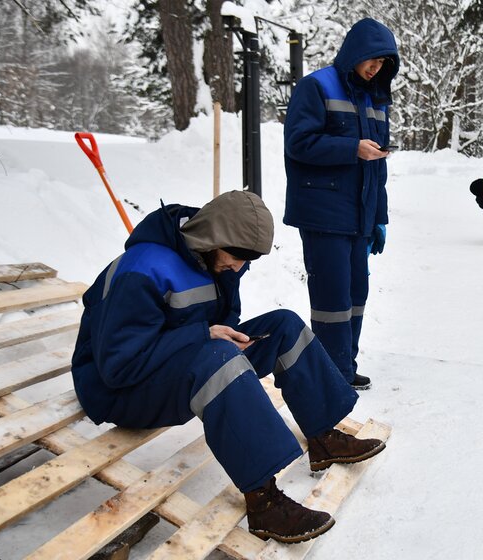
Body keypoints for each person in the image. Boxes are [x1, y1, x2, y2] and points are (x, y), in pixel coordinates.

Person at [71, 190, 385, 544]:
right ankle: (264, 502)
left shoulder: (214, 257)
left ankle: (324, 437)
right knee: (219, 360)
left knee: (283, 326)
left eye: (247, 260)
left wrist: (225, 335)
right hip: (120, 391)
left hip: (175, 362)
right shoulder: (141, 270)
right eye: (237, 258)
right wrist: (204, 336)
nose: (239, 267)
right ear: (213, 238)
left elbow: (222, 319)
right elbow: (118, 366)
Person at [283, 18, 400, 391]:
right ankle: (331, 374)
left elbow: (377, 167)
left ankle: (344, 366)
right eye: (372, 60)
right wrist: (352, 148)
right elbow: (298, 143)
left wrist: (378, 218)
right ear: (356, 53)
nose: (375, 68)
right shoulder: (317, 86)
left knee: (356, 295)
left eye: (382, 64)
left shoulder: (375, 100)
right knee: (331, 298)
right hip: (323, 213)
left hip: (359, 215)